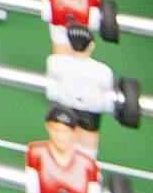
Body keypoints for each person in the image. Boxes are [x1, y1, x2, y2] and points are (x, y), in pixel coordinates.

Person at [46, 25, 118, 157]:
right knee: (87, 146)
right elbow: (107, 90)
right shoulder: (103, 70)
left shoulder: (54, 61)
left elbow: (52, 82)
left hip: (65, 105)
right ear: (91, 46)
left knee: (63, 138)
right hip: (89, 110)